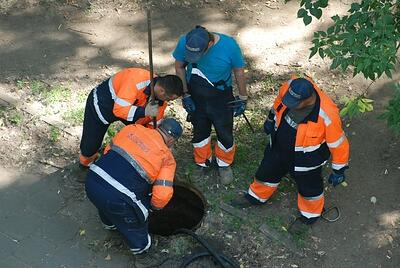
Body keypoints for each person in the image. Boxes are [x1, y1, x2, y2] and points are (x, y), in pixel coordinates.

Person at [232, 75, 349, 226]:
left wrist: (339, 170)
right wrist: (270, 119)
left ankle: (310, 215)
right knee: (266, 172)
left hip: (305, 160)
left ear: (307, 100)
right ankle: (256, 196)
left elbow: (339, 144)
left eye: (294, 104)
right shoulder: (291, 87)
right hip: (279, 146)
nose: (290, 105)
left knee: (309, 187)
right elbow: (279, 102)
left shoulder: (327, 114)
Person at [85, 118, 182, 256]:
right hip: (118, 199)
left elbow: (108, 150)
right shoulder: (167, 158)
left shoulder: (132, 129)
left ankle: (110, 225)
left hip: (93, 179)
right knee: (137, 218)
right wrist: (153, 208)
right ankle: (142, 253)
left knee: (104, 200)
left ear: (158, 125)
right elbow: (162, 195)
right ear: (172, 141)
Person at [172, 25, 248, 184]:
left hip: (221, 96)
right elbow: (179, 66)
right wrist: (185, 94)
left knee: (224, 131)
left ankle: (224, 164)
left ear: (209, 45)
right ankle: (202, 162)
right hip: (196, 93)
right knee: (200, 130)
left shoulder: (229, 46)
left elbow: (239, 71)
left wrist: (242, 97)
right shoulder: (185, 42)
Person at [77, 68, 183, 180]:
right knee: (91, 142)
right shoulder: (135, 80)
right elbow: (119, 110)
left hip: (132, 110)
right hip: (103, 105)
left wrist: (155, 144)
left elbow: (153, 124)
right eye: (169, 99)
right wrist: (144, 112)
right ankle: (85, 165)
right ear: (162, 91)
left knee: (140, 137)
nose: (168, 102)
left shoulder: (161, 99)